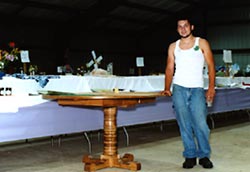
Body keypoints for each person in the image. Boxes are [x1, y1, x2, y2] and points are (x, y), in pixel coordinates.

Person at [161, 17, 216, 169]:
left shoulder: (202, 43)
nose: (183, 29)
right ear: (177, 29)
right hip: (179, 88)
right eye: (180, 26)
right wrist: (167, 87)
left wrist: (211, 87)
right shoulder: (173, 46)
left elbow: (211, 66)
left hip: (197, 89)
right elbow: (169, 68)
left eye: (185, 26)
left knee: (200, 123)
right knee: (184, 123)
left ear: (191, 27)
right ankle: (190, 155)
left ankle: (204, 155)